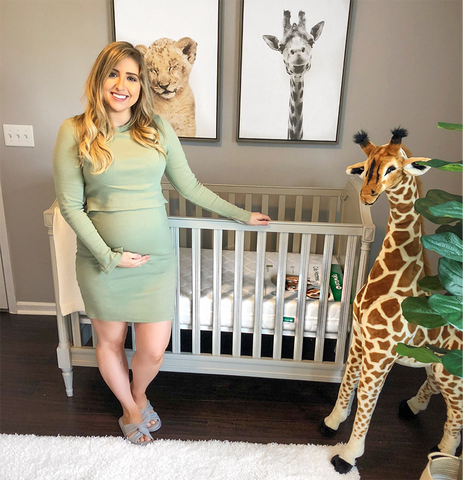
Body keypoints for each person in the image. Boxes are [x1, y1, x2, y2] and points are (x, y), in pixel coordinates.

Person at [53, 41, 270, 445]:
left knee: (153, 350)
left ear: (141, 86)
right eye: (114, 74)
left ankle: (138, 394)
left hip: (155, 261)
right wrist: (109, 256)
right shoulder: (74, 130)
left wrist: (242, 214)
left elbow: (190, 187)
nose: (123, 85)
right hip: (103, 263)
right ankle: (131, 411)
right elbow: (70, 205)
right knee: (110, 341)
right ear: (99, 79)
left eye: (132, 77)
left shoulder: (157, 129)